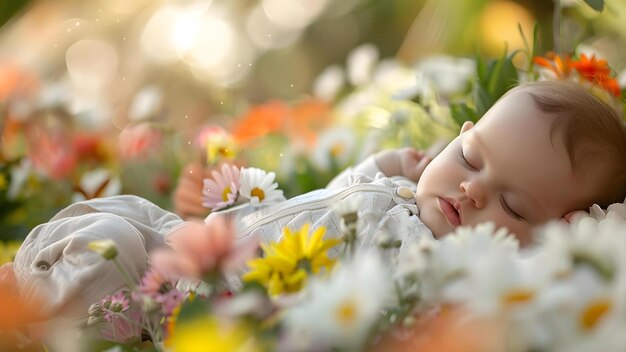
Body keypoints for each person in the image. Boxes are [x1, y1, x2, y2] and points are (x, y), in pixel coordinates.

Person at [8, 79, 626, 323]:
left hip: (190, 299)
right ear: (458, 139)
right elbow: (334, 201)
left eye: (512, 206)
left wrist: (580, 244)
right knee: (126, 214)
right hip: (190, 237)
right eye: (469, 159)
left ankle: (30, 323)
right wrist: (385, 167)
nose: (471, 189)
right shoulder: (410, 194)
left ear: (554, 233)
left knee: (107, 249)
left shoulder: (434, 270)